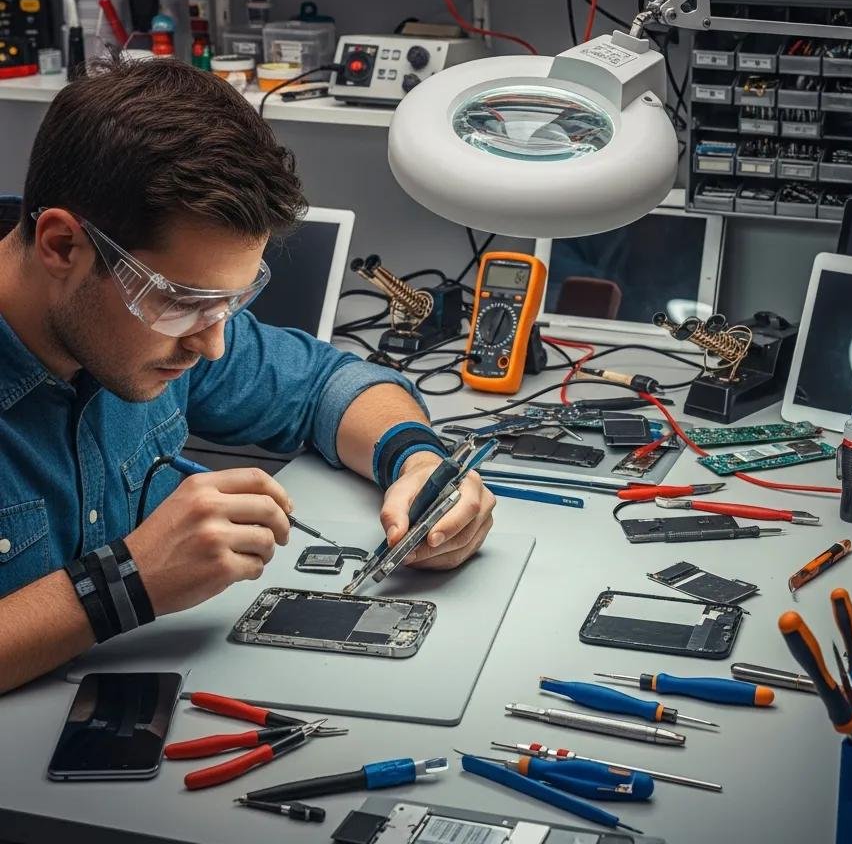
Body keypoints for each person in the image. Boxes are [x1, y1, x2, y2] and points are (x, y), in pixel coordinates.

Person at [0, 58, 495, 694]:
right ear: (63, 246)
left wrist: (420, 464)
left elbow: (326, 385)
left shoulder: (142, 327)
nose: (211, 345)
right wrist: (129, 584)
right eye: (183, 302)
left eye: (228, 303)